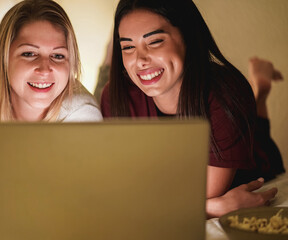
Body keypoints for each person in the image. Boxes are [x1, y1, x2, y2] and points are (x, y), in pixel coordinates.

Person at [100, 0, 285, 218]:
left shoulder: (226, 93)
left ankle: (259, 91)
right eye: (128, 47)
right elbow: (123, 191)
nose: (140, 60)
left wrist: (205, 205)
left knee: (259, 136)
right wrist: (212, 207)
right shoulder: (116, 98)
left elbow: (203, 193)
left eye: (155, 41)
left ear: (187, 37)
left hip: (253, 162)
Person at [0, 0, 102, 229]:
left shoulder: (83, 112)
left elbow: (79, 205)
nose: (44, 69)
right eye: (29, 53)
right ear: (4, 59)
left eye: (58, 56)